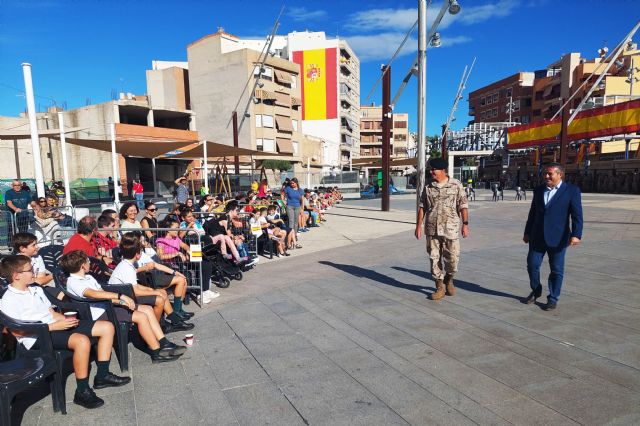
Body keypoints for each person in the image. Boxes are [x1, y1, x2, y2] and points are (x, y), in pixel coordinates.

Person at [0, 254, 130, 409]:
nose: (34, 271)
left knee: (106, 327)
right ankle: (82, 391)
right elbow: (17, 332)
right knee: (82, 340)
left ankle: (102, 375)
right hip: (37, 337)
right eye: (30, 270)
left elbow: (50, 312)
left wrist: (62, 319)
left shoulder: (35, 289)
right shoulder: (8, 300)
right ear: (16, 276)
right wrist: (53, 327)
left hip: (54, 326)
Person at [61, 250, 185, 363]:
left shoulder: (87, 277)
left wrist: (120, 302)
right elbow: (94, 294)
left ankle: (163, 342)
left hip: (107, 306)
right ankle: (156, 351)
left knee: (147, 309)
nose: (89, 263)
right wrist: (120, 297)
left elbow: (101, 293)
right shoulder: (74, 282)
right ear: (83, 265)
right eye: (88, 261)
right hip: (99, 314)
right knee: (141, 317)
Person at [523, 163, 583, 311]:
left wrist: (576, 234)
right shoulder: (538, 190)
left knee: (556, 270)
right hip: (537, 237)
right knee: (532, 265)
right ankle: (536, 290)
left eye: (550, 174)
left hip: (559, 238)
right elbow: (533, 213)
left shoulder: (571, 191)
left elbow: (577, 215)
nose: (546, 176)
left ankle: (553, 298)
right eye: (545, 174)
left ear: (560, 174)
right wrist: (527, 232)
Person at [109, 233, 194, 332]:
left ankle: (174, 321)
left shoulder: (128, 263)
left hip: (131, 291)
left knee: (162, 292)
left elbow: (136, 285)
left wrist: (174, 272)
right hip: (126, 297)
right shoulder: (127, 267)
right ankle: (157, 328)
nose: (143, 244)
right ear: (137, 254)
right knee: (160, 297)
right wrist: (154, 291)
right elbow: (135, 290)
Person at [414, 157, 469, 301]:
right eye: (431, 169)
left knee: (453, 259)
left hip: (450, 228)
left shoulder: (456, 185)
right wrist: (418, 226)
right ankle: (439, 287)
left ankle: (449, 279)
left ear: (443, 170)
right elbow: (422, 207)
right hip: (432, 229)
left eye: (434, 169)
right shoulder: (428, 187)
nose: (431, 172)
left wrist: (465, 224)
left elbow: (463, 205)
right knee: (434, 258)